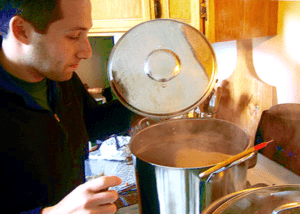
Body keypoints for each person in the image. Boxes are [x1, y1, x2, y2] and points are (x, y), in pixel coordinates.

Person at [0, 0, 137, 213]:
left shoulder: (59, 75)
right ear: (21, 31)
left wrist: (144, 103)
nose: (86, 51)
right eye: (74, 36)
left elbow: (89, 124)